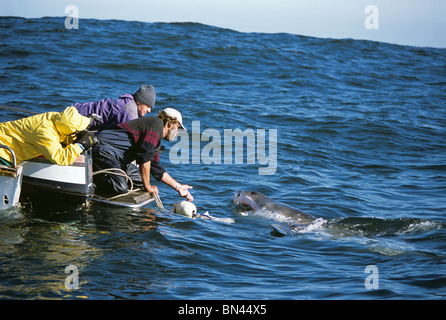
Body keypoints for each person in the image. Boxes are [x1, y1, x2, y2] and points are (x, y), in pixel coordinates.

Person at [92, 108, 193, 201]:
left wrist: (178, 187)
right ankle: (93, 185)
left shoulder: (156, 139)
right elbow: (145, 157)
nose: (177, 133)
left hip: (117, 158)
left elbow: (155, 167)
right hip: (103, 149)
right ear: (171, 123)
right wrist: (147, 186)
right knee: (120, 187)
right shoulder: (155, 124)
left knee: (139, 182)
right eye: (178, 128)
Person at [0, 107, 95, 166]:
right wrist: (81, 144)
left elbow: (62, 133)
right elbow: (61, 159)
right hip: (3, 152)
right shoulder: (44, 132)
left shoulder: (54, 118)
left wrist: (75, 138)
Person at [74, 85, 156, 131]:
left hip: (77, 110)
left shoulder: (129, 102)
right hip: (77, 118)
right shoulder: (130, 110)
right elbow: (130, 134)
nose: (149, 110)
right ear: (139, 101)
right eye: (148, 106)